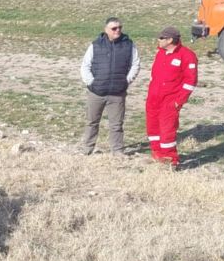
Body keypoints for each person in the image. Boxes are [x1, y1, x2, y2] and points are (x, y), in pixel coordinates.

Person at [79, 17, 139, 155]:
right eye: (114, 28)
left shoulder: (129, 45)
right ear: (106, 30)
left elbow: (136, 64)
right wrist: (91, 83)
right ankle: (87, 149)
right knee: (91, 122)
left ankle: (117, 151)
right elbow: (85, 66)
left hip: (117, 93)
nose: (118, 30)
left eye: (120, 27)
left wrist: (126, 81)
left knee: (116, 125)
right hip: (96, 92)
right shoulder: (95, 45)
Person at [145, 27, 198, 170]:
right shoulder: (160, 53)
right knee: (153, 127)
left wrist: (178, 102)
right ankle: (157, 155)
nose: (158, 40)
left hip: (170, 101)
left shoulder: (187, 55)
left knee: (167, 130)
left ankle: (170, 160)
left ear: (170, 40)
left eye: (161, 38)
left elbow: (190, 82)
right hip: (153, 98)